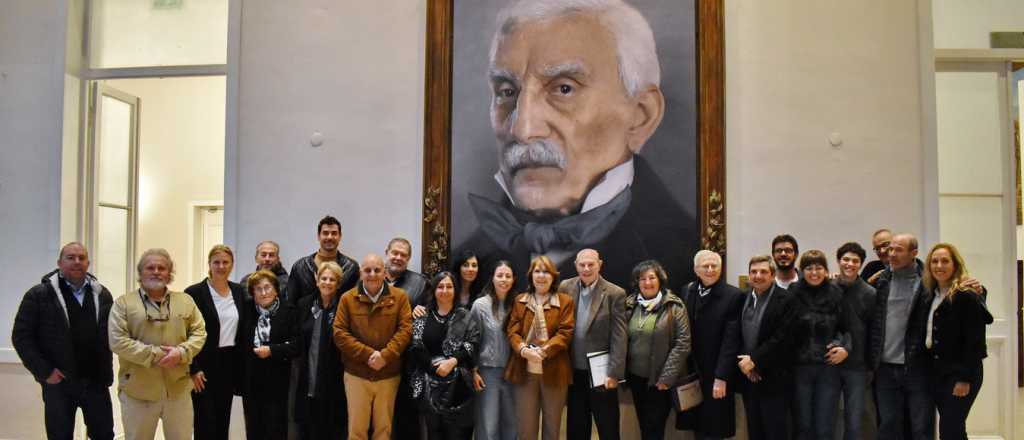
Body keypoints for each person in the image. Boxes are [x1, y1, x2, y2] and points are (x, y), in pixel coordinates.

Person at [455, 0, 698, 295]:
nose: (523, 129)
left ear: (640, 115)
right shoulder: (463, 264)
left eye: (564, 88)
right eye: (507, 92)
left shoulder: (686, 260)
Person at [12, 242, 115, 440]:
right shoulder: (38, 295)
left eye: (81, 258)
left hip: (96, 383)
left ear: (88, 263)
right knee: (59, 436)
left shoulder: (102, 295)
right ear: (59, 263)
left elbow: (111, 335)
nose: (77, 262)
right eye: (70, 257)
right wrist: (45, 372)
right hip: (59, 384)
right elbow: (21, 337)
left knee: (104, 435)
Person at [108, 249, 207, 440]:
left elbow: (199, 332)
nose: (156, 272)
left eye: (161, 268)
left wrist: (181, 352)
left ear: (169, 273)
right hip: (138, 392)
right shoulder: (123, 304)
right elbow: (117, 341)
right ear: (140, 272)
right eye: (150, 268)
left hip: (178, 392)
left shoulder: (186, 301)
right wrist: (156, 355)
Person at [332, 254, 413, 440]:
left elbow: (406, 330)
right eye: (367, 270)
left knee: (383, 430)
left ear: (385, 273)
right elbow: (339, 333)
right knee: (356, 430)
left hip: (388, 374)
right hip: (356, 375)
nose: (372, 274)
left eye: (377, 270)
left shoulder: (400, 297)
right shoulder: (347, 298)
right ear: (361, 273)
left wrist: (385, 356)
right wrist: (368, 355)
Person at [922, 243, 992, 439]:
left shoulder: (965, 295)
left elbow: (975, 341)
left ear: (955, 265)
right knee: (953, 428)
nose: (939, 266)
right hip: (938, 372)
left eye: (945, 261)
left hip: (961, 373)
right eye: (934, 261)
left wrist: (964, 378)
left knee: (950, 428)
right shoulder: (931, 295)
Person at [869, 233, 934, 440]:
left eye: (898, 250)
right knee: (888, 425)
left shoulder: (928, 281)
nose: (892, 254)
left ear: (914, 253)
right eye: (891, 249)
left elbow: (954, 292)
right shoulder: (881, 280)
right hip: (885, 368)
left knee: (921, 426)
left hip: (917, 366)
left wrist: (979, 289)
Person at [559, 249, 627, 440]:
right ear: (576, 265)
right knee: (576, 428)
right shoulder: (565, 287)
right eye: (582, 265)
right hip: (574, 373)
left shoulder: (615, 293)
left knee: (608, 428)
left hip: (601, 375)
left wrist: (614, 373)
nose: (586, 268)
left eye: (591, 264)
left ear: (600, 264)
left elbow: (619, 336)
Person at [504, 255, 575, 440]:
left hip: (555, 373)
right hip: (524, 372)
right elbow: (512, 331)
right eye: (537, 271)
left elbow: (565, 333)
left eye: (546, 272)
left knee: (552, 427)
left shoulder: (565, 301)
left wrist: (544, 351)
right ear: (531, 275)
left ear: (553, 276)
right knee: (526, 428)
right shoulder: (520, 300)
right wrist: (523, 350)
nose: (541, 276)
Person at [678, 250, 744, 440]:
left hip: (717, 373)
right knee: (697, 425)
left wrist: (721, 377)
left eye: (714, 266)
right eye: (705, 266)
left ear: (720, 268)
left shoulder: (734, 295)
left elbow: (731, 341)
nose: (710, 269)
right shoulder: (687, 290)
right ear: (696, 270)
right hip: (693, 372)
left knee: (715, 427)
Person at [787, 250, 853, 440]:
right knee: (802, 425)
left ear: (826, 270)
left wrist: (845, 348)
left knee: (825, 427)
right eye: (809, 268)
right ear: (802, 271)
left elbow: (847, 328)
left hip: (828, 368)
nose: (814, 272)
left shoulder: (836, 292)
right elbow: (784, 330)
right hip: (799, 368)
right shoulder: (792, 292)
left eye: (819, 268)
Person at [409, 271, 480, 440]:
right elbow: (415, 346)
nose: (445, 290)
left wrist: (452, 362)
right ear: (434, 290)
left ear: (455, 290)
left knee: (458, 434)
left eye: (449, 286)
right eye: (440, 286)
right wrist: (434, 368)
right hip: (428, 386)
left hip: (459, 388)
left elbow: (472, 343)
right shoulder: (422, 315)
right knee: (434, 434)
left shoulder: (465, 315)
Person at [185, 245, 246, 440]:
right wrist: (193, 367)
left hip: (229, 363)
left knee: (223, 420)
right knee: (205, 422)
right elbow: (184, 334)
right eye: (216, 262)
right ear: (209, 264)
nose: (221, 266)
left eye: (225, 262)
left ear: (232, 265)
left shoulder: (238, 291)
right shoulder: (194, 293)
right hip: (203, 365)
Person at [625, 260, 691, 440]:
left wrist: (666, 378)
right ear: (637, 282)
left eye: (652, 277)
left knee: (654, 428)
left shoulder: (674, 306)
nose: (647, 282)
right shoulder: (629, 304)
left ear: (660, 280)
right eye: (642, 278)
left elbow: (683, 344)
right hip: (636, 378)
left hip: (661, 381)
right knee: (644, 425)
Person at [736, 255, 794, 440]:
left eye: (763, 272)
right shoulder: (743, 297)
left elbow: (782, 338)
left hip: (774, 377)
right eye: (753, 272)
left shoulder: (786, 299)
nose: (758, 276)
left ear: (772, 274)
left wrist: (755, 361)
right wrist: (747, 364)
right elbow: (738, 333)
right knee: (754, 430)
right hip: (748, 377)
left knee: (775, 431)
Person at [238, 270, 300, 440]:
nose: (264, 293)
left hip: (278, 379)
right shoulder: (246, 311)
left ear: (276, 290)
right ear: (252, 293)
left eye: (267, 287)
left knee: (275, 428)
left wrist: (272, 350)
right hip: (251, 379)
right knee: (253, 428)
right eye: (258, 289)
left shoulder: (289, 311)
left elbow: (297, 346)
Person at [295, 261, 348, 439]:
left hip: (335, 375)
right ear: (317, 281)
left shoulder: (344, 305)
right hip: (308, 372)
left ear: (338, 284)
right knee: (308, 426)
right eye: (323, 278)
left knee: (332, 426)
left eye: (332, 279)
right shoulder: (304, 304)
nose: (327, 282)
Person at [386, 237, 430, 440]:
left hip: (407, 360)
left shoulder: (420, 283)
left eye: (403, 255)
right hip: (377, 356)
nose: (398, 257)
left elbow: (429, 315)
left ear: (409, 258)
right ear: (387, 253)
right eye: (395, 253)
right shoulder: (371, 276)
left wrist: (421, 311)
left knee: (406, 415)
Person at [470, 260, 518, 440]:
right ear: (492, 278)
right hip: (487, 373)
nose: (503, 279)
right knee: (488, 424)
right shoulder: (480, 305)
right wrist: (473, 371)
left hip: (514, 373)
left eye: (508, 276)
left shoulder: (519, 303)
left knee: (512, 423)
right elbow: (472, 341)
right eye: (500, 275)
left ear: (513, 279)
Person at [834, 242, 877, 440]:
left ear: (861, 264)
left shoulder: (870, 293)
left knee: (854, 419)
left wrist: (871, 365)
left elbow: (873, 331)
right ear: (838, 261)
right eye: (846, 259)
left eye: (855, 261)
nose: (849, 264)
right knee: (829, 417)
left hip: (858, 366)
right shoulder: (829, 288)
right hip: (830, 364)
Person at [287, 215, 359, 305]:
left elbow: (355, 303)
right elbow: (290, 303)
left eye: (334, 233)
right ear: (318, 236)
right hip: (304, 314)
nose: (329, 237)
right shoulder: (300, 267)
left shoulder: (351, 268)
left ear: (340, 236)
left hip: (340, 314)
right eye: (325, 233)